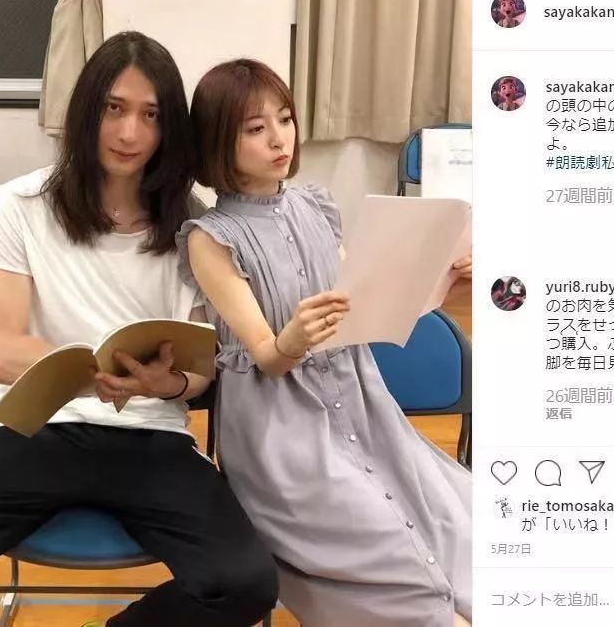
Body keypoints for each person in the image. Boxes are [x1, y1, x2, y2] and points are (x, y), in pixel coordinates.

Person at [0, 32, 278, 627]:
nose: (130, 133)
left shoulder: (195, 226)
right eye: (114, 108)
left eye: (151, 115)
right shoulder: (21, 204)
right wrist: (88, 373)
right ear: (86, 110)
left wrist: (166, 384)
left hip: (151, 438)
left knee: (245, 584)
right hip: (35, 429)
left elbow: (200, 374)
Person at [177, 58, 473, 627]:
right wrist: (291, 338)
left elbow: (364, 310)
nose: (278, 139)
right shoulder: (210, 239)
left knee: (456, 525)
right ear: (218, 140)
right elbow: (267, 357)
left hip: (364, 411)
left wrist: (442, 277)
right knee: (390, 556)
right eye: (255, 128)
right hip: (282, 438)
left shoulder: (314, 205)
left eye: (284, 120)